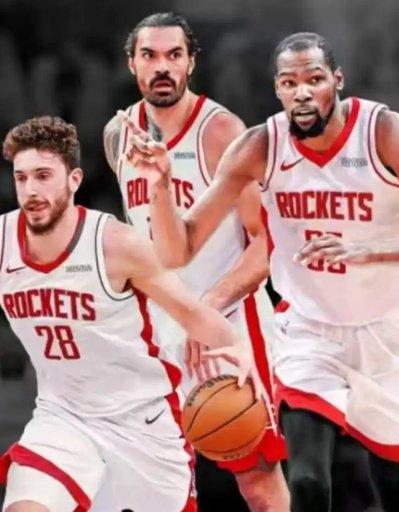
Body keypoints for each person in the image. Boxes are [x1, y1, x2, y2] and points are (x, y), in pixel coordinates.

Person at [120, 31, 399, 512]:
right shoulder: (259, 146)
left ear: (337, 80)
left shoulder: (382, 131)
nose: (302, 92)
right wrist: (161, 185)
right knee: (307, 483)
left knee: (397, 493)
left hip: (390, 331)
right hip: (309, 331)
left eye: (314, 79)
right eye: (289, 83)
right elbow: (177, 250)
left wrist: (368, 250)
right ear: (277, 89)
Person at [0, 116, 257, 512]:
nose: (31, 190)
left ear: (74, 180)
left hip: (143, 424)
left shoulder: (116, 244)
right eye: (21, 178)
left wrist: (236, 344)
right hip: (62, 417)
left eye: (43, 176)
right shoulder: (4, 242)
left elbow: (188, 310)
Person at [102, 13, 289, 511]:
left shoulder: (222, 131)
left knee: (258, 482)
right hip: (160, 328)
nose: (162, 67)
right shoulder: (118, 134)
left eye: (174, 55)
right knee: (157, 484)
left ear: (191, 63)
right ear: (132, 63)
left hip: (228, 319)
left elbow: (267, 243)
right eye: (149, 55)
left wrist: (207, 310)